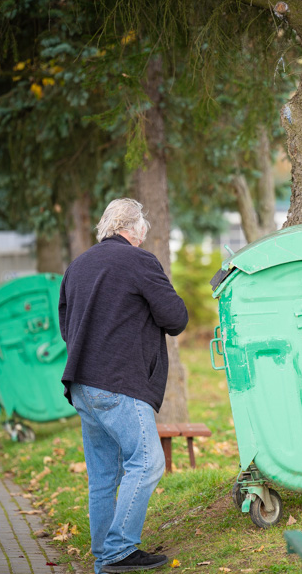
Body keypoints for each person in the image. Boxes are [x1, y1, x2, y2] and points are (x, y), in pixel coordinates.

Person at [59, 198, 188, 573]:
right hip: (119, 384)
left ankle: (105, 560)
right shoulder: (139, 261)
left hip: (83, 384)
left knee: (102, 478)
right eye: (143, 234)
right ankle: (119, 550)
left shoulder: (78, 266)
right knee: (147, 462)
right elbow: (175, 317)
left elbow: (67, 325)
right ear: (135, 230)